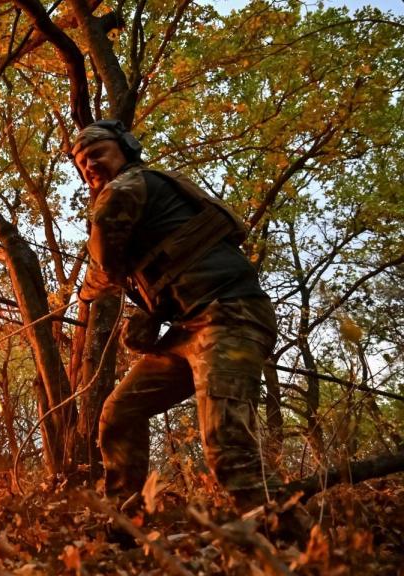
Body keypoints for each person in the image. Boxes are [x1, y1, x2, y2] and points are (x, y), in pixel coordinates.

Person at [72, 120, 308, 542]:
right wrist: (147, 317)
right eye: (81, 161)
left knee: (226, 443)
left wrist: (85, 295)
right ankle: (127, 527)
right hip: (189, 331)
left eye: (97, 153)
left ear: (126, 148)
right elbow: (154, 279)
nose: (89, 163)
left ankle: (295, 545)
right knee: (119, 413)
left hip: (229, 316)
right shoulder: (142, 214)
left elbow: (105, 261)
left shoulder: (128, 187)